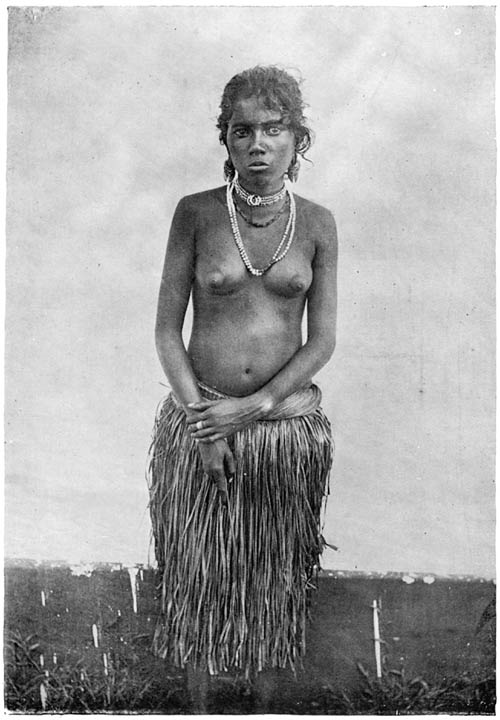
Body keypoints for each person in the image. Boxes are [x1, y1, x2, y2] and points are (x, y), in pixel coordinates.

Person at [148, 65, 337, 711]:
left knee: (274, 579)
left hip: (284, 432)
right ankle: (200, 710)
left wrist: (255, 406)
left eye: (274, 129)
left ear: (298, 138)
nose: (258, 144)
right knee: (199, 574)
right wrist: (203, 424)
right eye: (242, 131)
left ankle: (264, 710)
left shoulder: (318, 224)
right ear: (226, 140)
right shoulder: (196, 213)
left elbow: (321, 342)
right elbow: (167, 331)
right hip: (202, 424)